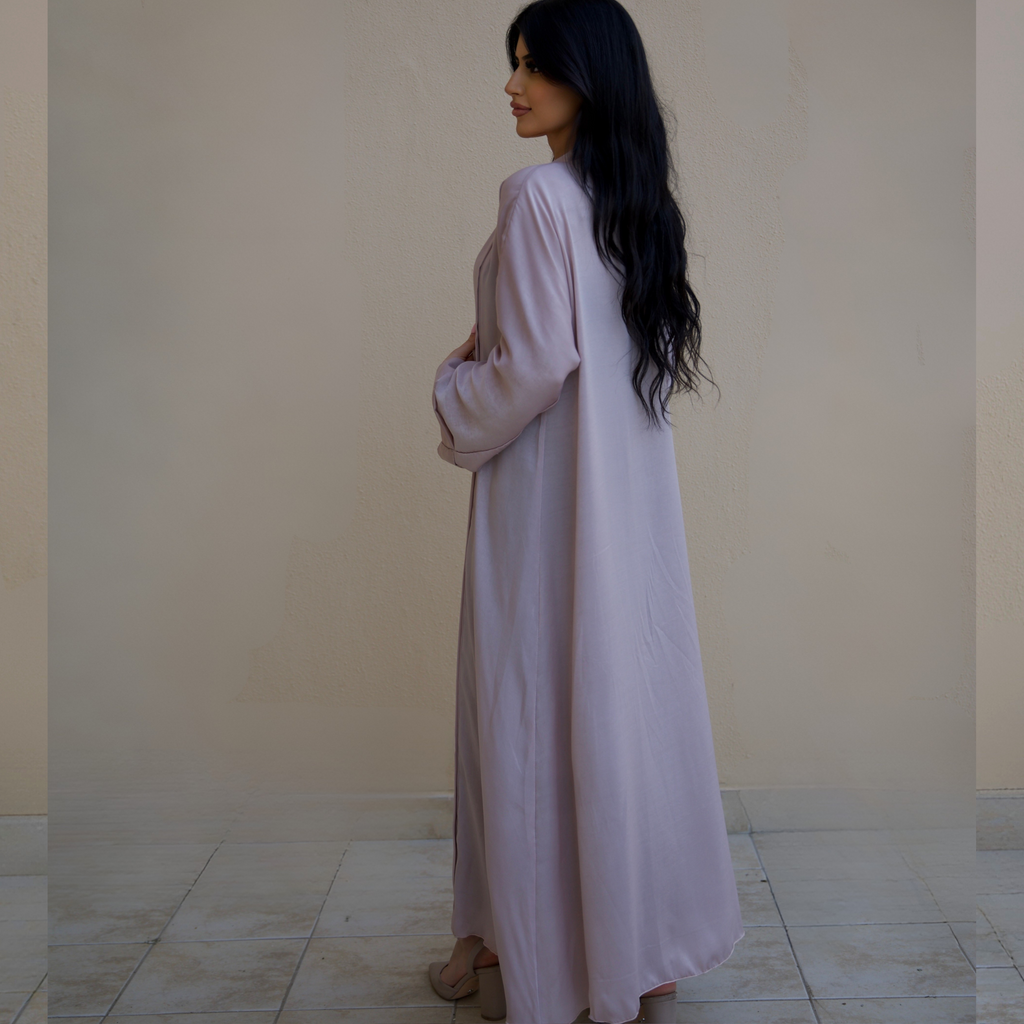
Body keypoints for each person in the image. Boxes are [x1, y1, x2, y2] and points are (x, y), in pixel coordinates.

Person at [427, 2, 744, 1021]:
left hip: (546, 502)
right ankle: (632, 951)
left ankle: (515, 954)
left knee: (523, 718)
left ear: (588, 79)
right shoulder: (634, 205)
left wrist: (451, 386)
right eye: (514, 64)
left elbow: (530, 368)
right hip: (626, 507)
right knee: (617, 709)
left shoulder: (536, 196)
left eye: (534, 67)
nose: (512, 86)